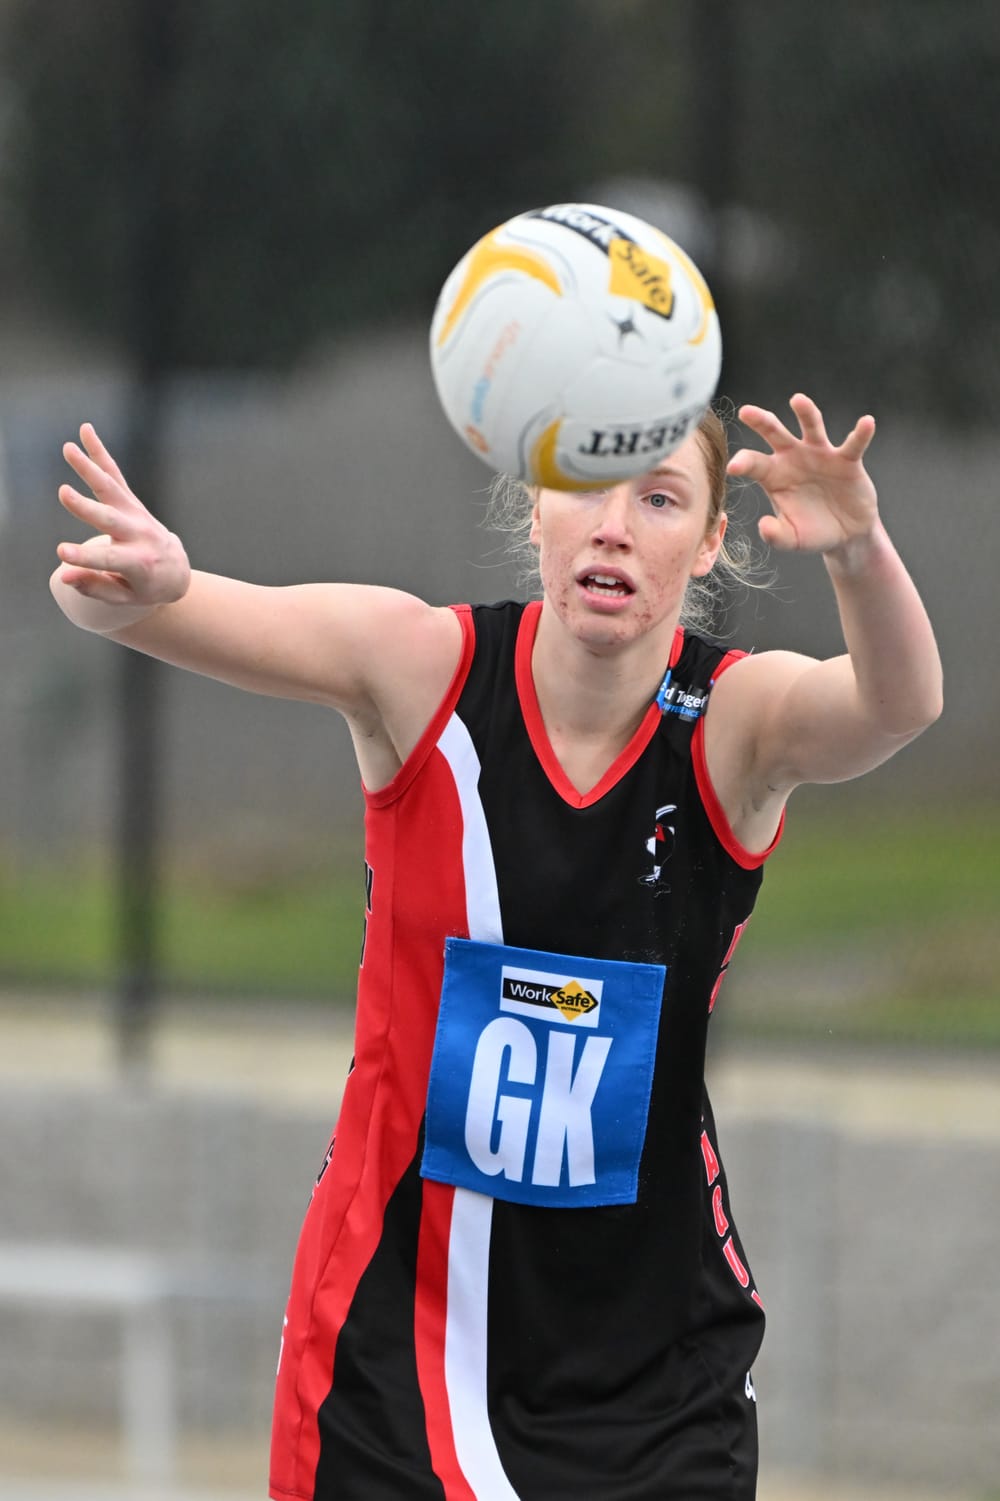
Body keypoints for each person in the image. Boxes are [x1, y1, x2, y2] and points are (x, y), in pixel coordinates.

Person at [50, 390, 942, 1500]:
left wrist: (857, 549)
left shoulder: (732, 722)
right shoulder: (422, 666)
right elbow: (125, 606)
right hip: (395, 1348)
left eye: (660, 499)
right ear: (534, 510)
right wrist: (133, 583)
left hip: (652, 1372)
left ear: (714, 539)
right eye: (585, 488)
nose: (614, 526)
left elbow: (899, 704)